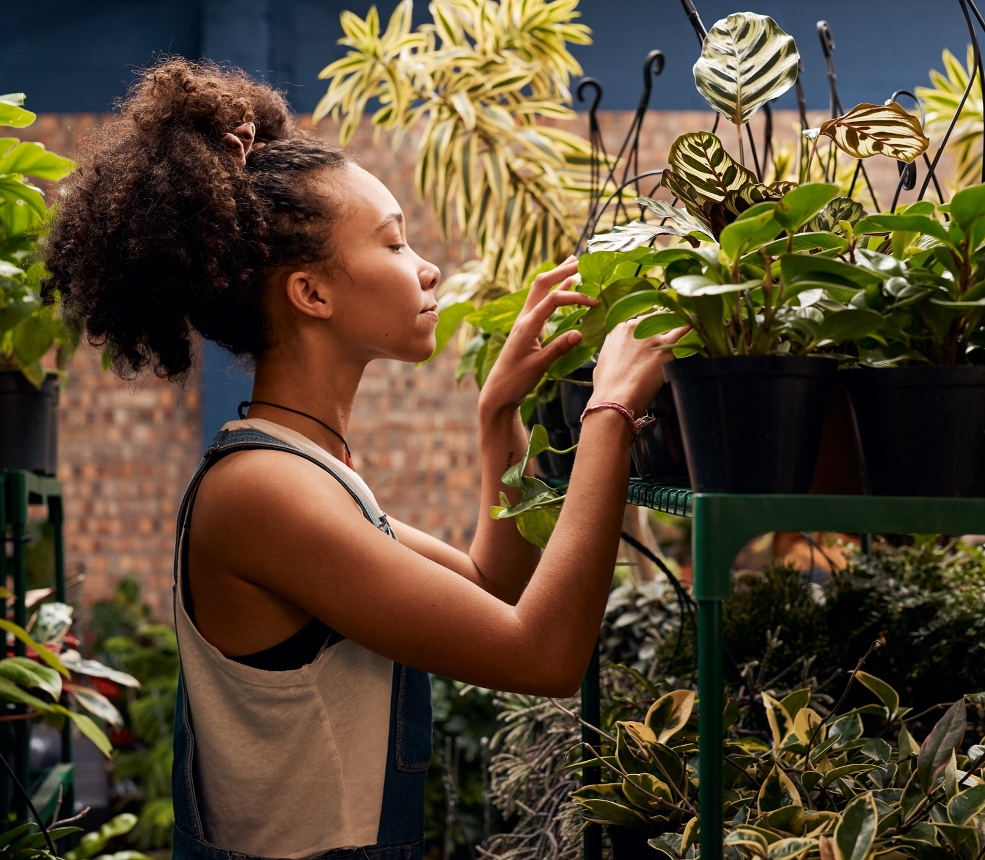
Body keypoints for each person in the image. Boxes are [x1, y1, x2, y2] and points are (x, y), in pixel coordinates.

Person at [45, 59, 683, 860]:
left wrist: (498, 418)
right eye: (393, 241)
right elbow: (542, 655)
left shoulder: (302, 472)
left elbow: (493, 587)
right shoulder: (263, 494)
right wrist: (610, 413)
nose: (427, 267)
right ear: (312, 293)